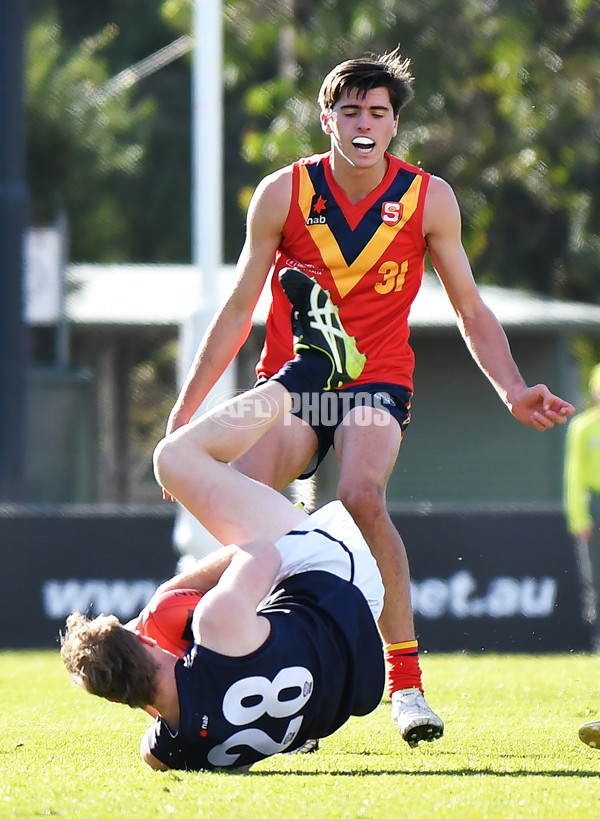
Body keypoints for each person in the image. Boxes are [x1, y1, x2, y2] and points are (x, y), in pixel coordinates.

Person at [165, 47, 575, 744]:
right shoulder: (284, 192)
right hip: (297, 380)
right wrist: (185, 415)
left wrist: (512, 388)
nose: (363, 122)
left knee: (359, 494)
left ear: (393, 127)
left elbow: (471, 309)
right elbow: (236, 311)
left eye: (377, 112)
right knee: (247, 492)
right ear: (326, 118)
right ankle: (260, 658)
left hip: (375, 382)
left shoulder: (427, 198)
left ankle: (407, 684)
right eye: (349, 109)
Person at [61, 283, 389, 771]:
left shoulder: (170, 751)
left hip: (356, 669)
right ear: (145, 643)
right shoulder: (217, 624)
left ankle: (306, 387)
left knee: (244, 561)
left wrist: (130, 668)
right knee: (174, 459)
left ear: (122, 699)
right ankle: (316, 365)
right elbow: (262, 553)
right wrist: (167, 597)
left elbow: (155, 737)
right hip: (340, 579)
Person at [564, 363, 600, 649]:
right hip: (595, 504)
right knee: (596, 576)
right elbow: (574, 475)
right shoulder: (583, 426)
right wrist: (579, 518)